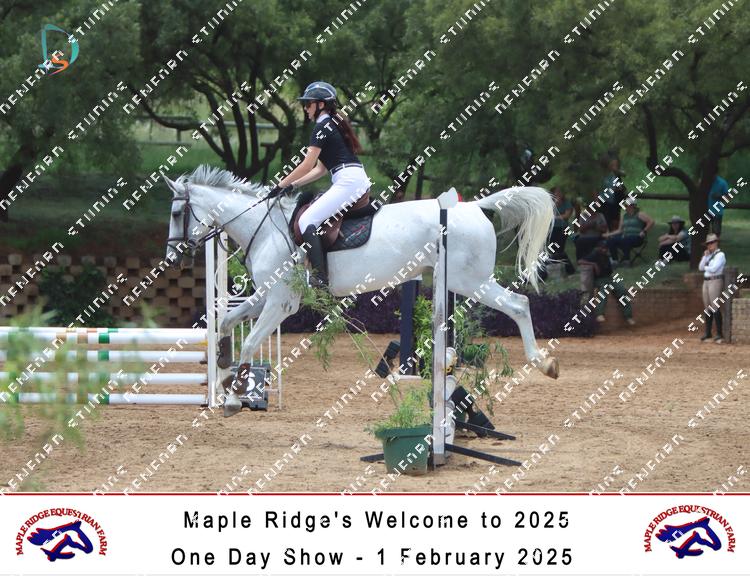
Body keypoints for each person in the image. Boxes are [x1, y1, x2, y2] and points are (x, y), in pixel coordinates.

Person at [270, 81, 371, 287]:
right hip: (352, 178)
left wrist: (279, 185)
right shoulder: (331, 124)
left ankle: (320, 278)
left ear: (321, 105)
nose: (305, 108)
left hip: (348, 181)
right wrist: (292, 186)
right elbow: (319, 169)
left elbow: (306, 165)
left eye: (308, 104)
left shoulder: (321, 126)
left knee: (307, 220)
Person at [578, 239, 635, 325]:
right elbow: (580, 261)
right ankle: (599, 314)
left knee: (622, 290)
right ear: (598, 248)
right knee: (604, 290)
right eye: (603, 248)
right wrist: (593, 264)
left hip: (609, 278)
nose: (605, 250)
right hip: (599, 279)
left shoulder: (607, 255)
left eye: (606, 248)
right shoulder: (594, 255)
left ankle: (628, 316)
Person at [605, 197, 654, 265]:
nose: (625, 207)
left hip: (637, 237)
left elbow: (651, 221)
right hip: (625, 237)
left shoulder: (639, 214)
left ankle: (626, 260)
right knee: (611, 240)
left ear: (632, 206)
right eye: (625, 205)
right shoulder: (624, 216)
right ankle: (615, 260)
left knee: (626, 239)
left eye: (626, 205)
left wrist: (644, 231)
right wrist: (608, 235)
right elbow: (619, 230)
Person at [698, 233, 726, 343]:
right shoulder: (708, 255)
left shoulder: (720, 255)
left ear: (716, 243)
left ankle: (719, 333)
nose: (709, 245)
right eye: (708, 243)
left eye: (711, 243)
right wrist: (705, 257)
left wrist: (706, 267)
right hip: (706, 281)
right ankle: (708, 332)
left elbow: (714, 269)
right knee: (707, 307)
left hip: (715, 280)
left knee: (715, 306)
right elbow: (700, 267)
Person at [550, 186, 575, 274]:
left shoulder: (566, 203)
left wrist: (555, 217)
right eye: (556, 192)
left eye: (559, 192)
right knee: (553, 248)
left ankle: (570, 269)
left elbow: (567, 215)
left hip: (563, 228)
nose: (558, 194)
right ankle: (557, 269)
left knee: (560, 248)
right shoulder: (551, 203)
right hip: (552, 228)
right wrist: (556, 204)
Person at [599, 156, 627, 231]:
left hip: (614, 201)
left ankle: (614, 233)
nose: (614, 167)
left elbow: (620, 183)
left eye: (616, 165)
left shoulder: (615, 175)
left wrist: (619, 188)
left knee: (614, 221)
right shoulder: (601, 175)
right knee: (605, 221)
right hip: (604, 201)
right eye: (612, 165)